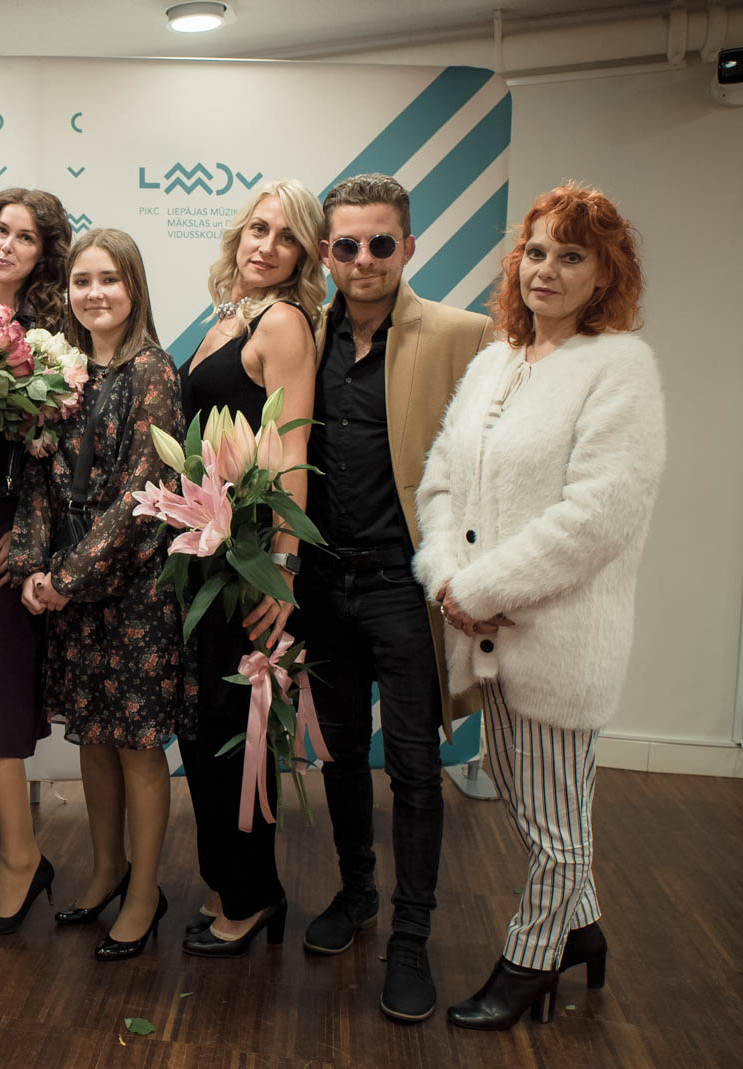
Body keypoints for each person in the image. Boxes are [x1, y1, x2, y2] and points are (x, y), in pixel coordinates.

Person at [415, 184, 663, 1030]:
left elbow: (597, 516)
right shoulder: (498, 360)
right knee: (530, 805)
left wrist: (480, 590)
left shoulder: (620, 367)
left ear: (605, 274)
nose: (546, 269)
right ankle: (582, 928)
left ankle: (529, 961)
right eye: (536, 251)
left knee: (555, 828)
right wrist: (447, 578)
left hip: (555, 637)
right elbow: (442, 477)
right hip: (484, 633)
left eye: (571, 255)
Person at [299, 173, 493, 1022]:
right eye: (347, 244)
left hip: (404, 588)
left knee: (414, 766)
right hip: (322, 584)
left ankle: (411, 936)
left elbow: (492, 466)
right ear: (325, 253)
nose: (365, 259)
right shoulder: (303, 334)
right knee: (341, 755)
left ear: (408, 246)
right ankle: (357, 892)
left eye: (381, 243)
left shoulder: (463, 334)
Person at [9, 227, 188, 962]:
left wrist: (68, 577)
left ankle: (144, 890)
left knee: (138, 743)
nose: (94, 293)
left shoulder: (154, 371)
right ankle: (108, 867)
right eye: (82, 280)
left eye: (109, 278)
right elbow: (37, 475)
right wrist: (32, 565)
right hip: (69, 582)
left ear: (134, 287)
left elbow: (146, 492)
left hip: (135, 584)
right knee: (93, 734)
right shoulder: (61, 371)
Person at [174, 179, 324, 959]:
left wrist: (284, 570)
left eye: (287, 236)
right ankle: (227, 878)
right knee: (206, 730)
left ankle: (253, 894)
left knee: (236, 732)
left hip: (250, 561)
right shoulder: (230, 315)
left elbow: (292, 446)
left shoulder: (284, 321)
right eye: (259, 228)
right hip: (209, 548)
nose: (267, 245)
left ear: (304, 255)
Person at [0, 189, 71, 933]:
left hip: (7, 533)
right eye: (0, 230)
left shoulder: (54, 339)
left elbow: (60, 455)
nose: (7, 244)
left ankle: (24, 859)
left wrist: (29, 533)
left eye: (25, 237)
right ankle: (2, 834)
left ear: (44, 256)